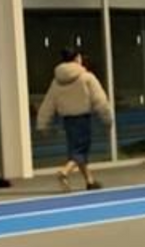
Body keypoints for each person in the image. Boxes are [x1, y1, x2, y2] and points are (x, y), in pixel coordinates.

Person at [36, 49, 114, 192]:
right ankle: (64, 172)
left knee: (76, 150)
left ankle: (90, 181)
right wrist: (107, 118)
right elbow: (100, 100)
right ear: (77, 58)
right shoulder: (87, 77)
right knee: (80, 151)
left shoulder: (56, 81)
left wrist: (42, 124)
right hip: (82, 119)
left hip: (67, 121)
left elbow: (48, 103)